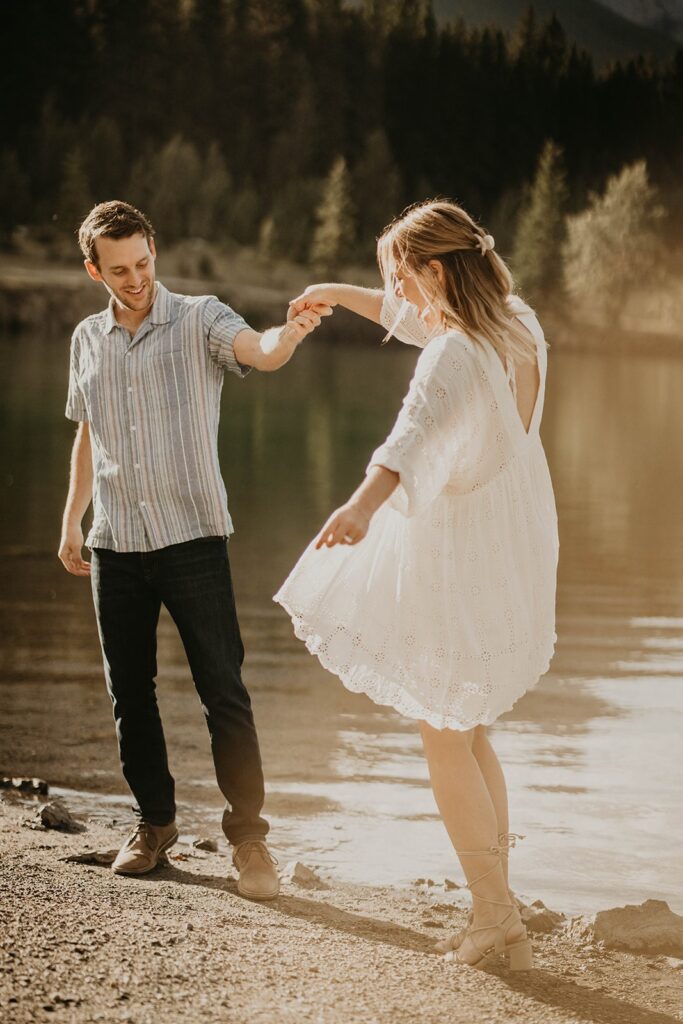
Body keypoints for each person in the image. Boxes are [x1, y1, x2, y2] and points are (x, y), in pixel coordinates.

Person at [275, 199, 559, 968]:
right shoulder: (516, 323)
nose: (396, 292)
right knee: (470, 727)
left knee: (441, 733)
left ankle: (496, 919)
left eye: (402, 275)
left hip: (460, 550)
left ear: (435, 270)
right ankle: (496, 908)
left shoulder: (454, 353)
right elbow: (408, 320)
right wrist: (337, 292)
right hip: (514, 543)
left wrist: (359, 506)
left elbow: (409, 438)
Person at [58, 200, 330, 899]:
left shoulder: (201, 317)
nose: (136, 277)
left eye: (143, 262)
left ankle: (249, 842)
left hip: (193, 539)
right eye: (119, 269)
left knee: (223, 690)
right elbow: (88, 433)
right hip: (115, 541)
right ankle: (154, 825)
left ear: (154, 251)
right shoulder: (87, 339)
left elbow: (259, 351)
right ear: (95, 270)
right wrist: (71, 520)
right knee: (129, 694)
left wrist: (288, 336)